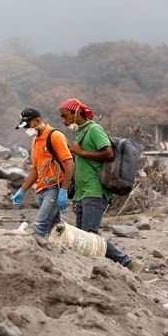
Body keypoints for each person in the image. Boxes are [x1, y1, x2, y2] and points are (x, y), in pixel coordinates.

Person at [59, 98, 143, 274]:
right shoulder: (79, 133)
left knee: (90, 235)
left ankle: (128, 263)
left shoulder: (94, 129)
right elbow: (81, 169)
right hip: (83, 192)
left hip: (96, 190)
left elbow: (108, 153)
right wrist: (75, 197)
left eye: (65, 116)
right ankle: (90, 271)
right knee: (82, 238)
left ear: (76, 113)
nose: (63, 120)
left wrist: (81, 152)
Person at [11, 108, 75, 238]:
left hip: (54, 188)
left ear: (38, 121)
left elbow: (69, 163)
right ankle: (64, 250)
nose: (26, 129)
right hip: (41, 189)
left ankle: (36, 256)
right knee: (55, 227)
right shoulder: (36, 141)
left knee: (40, 227)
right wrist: (22, 190)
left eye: (27, 125)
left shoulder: (55, 136)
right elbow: (36, 169)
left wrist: (63, 190)